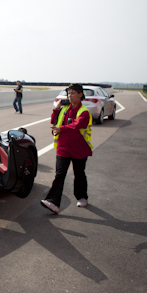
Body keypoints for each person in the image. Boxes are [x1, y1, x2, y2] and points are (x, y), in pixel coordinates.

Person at [41, 84, 93, 215]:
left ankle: (82, 197)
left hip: (79, 148)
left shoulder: (84, 112)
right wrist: (56, 108)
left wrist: (61, 129)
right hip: (63, 147)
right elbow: (53, 121)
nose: (70, 96)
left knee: (79, 173)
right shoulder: (64, 109)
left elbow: (76, 125)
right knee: (59, 175)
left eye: (73, 93)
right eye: (69, 93)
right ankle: (53, 202)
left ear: (81, 94)